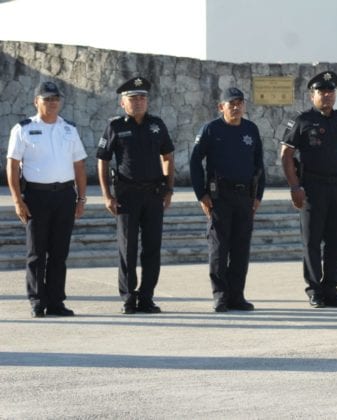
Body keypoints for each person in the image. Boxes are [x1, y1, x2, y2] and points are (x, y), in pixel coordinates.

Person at [280, 71, 337, 308]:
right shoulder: (302, 120)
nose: (327, 95)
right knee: (312, 240)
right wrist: (295, 186)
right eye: (321, 91)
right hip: (312, 187)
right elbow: (286, 155)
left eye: (330, 91)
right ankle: (314, 289)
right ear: (312, 95)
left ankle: (331, 288)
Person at [6, 81, 87, 318]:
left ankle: (55, 302)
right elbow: (12, 166)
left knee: (59, 253)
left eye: (56, 99)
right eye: (47, 99)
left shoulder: (69, 129)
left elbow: (79, 165)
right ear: (36, 102)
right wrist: (17, 200)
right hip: (36, 196)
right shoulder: (23, 129)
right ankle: (37, 301)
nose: (52, 103)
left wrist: (81, 198)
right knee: (36, 252)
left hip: (64, 195)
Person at [96, 76, 175, 314]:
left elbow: (167, 157)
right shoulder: (115, 126)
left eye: (142, 98)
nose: (139, 102)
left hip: (154, 195)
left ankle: (147, 297)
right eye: (133, 98)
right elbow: (102, 160)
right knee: (127, 249)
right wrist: (107, 195)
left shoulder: (157, 125)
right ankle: (129, 298)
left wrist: (169, 189)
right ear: (123, 103)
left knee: (152, 248)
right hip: (127, 196)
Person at [189, 87, 265, 313]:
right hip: (219, 196)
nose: (236, 107)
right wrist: (201, 194)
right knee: (219, 248)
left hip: (245, 196)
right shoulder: (211, 129)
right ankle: (220, 296)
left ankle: (237, 296)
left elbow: (259, 164)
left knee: (241, 248)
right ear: (221, 107)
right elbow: (195, 162)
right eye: (231, 103)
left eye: (240, 103)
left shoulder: (251, 129)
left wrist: (258, 196)